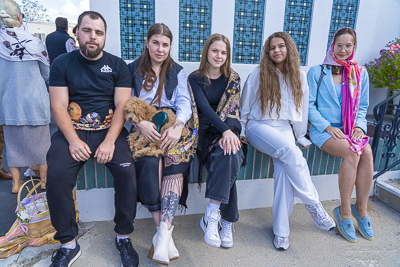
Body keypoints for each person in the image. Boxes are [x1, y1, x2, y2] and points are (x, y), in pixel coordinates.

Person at [46, 11, 138, 267]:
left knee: (128, 172)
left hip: (109, 132)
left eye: (98, 32)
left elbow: (122, 106)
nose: (92, 37)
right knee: (55, 175)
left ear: (105, 36)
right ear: (77, 32)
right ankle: (68, 244)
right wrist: (74, 141)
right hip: (72, 132)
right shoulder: (62, 64)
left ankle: (123, 236)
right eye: (87, 31)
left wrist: (110, 141)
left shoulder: (118, 65)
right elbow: (58, 106)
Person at [240, 32, 336, 250]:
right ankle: (313, 204)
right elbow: (245, 106)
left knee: (284, 170)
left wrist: (301, 135)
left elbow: (300, 111)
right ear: (267, 52)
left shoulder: (299, 76)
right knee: (290, 151)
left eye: (281, 46)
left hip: (283, 127)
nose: (276, 50)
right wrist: (242, 130)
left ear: (288, 48)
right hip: (258, 126)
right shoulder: (258, 74)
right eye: (272, 48)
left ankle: (281, 232)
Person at [128, 23, 197, 265]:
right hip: (144, 124)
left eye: (165, 45)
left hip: (171, 124)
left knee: (174, 156)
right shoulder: (132, 70)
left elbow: (184, 103)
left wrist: (178, 126)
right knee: (149, 160)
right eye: (155, 43)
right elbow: (125, 103)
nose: (160, 49)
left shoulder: (177, 71)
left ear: (170, 47)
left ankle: (162, 236)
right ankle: (164, 232)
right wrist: (140, 124)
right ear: (147, 43)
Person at [307, 27, 374, 243]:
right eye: (339, 45)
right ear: (332, 46)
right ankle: (344, 210)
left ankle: (361, 209)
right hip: (323, 129)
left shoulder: (360, 73)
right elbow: (308, 106)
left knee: (367, 153)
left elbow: (363, 106)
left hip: (349, 128)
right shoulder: (317, 72)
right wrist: (327, 126)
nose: (343, 50)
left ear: (354, 47)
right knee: (352, 154)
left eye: (348, 46)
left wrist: (360, 128)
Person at [188, 33, 243, 249]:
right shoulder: (195, 78)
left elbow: (232, 110)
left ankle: (213, 215)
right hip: (203, 133)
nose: (219, 55)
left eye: (223, 52)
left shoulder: (233, 78)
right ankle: (227, 220)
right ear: (207, 52)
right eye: (215, 50)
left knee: (230, 153)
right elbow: (204, 110)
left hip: (227, 130)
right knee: (229, 158)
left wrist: (229, 134)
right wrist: (225, 132)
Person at [0, 0, 50, 193]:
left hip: (9, 103)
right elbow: (46, 74)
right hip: (35, 102)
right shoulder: (35, 42)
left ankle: (15, 183)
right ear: (19, 17)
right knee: (42, 146)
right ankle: (44, 181)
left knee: (13, 146)